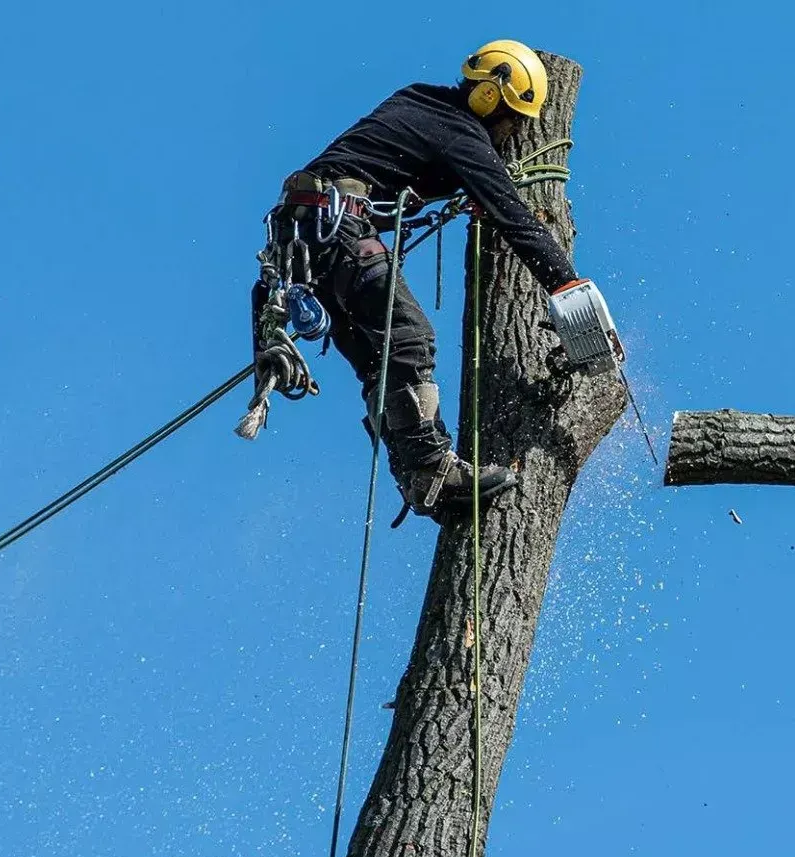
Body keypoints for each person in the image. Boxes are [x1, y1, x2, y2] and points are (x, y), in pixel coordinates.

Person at [251, 39, 600, 522]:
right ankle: (433, 469)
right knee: (410, 339)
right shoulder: (459, 130)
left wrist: (463, 184)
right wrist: (568, 286)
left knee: (383, 363)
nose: (508, 136)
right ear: (490, 100)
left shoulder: (419, 100)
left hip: (306, 244)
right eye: (512, 123)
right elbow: (514, 218)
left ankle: (418, 479)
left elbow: (412, 166)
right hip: (338, 231)